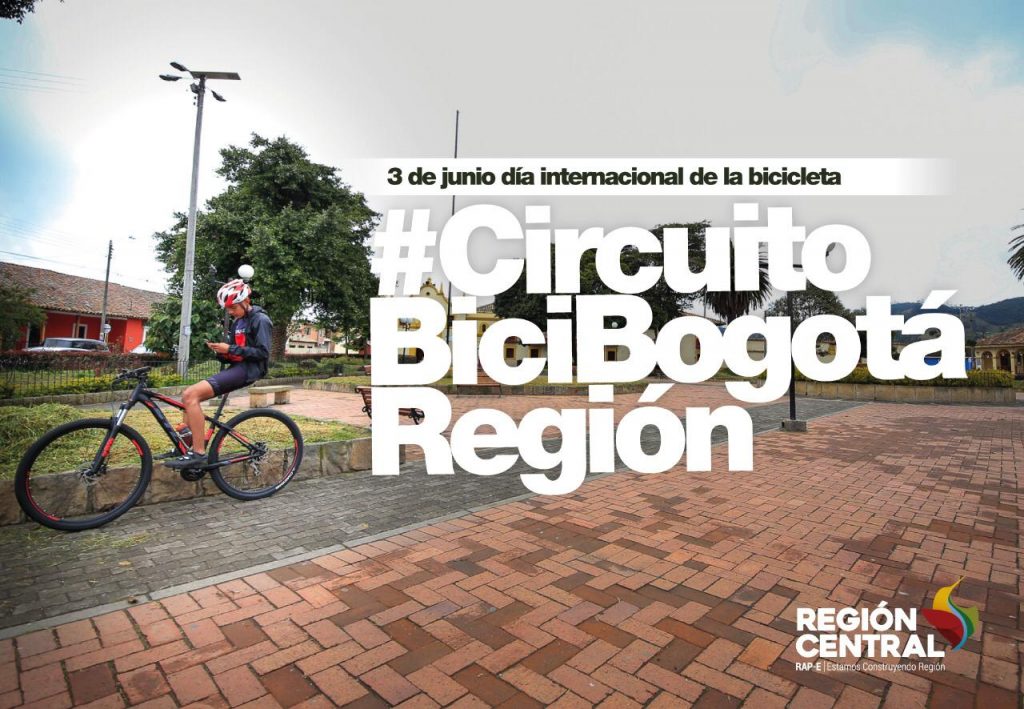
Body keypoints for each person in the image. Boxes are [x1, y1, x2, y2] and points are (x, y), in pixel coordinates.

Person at [166, 279, 273, 470]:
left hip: (251, 369)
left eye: (233, 307)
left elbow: (263, 353)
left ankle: (198, 453)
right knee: (187, 397)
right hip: (237, 367)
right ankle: (187, 446)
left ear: (246, 301)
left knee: (191, 395)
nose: (230, 312)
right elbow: (235, 352)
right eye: (227, 308)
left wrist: (229, 348)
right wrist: (221, 352)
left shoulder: (260, 320)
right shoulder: (238, 322)